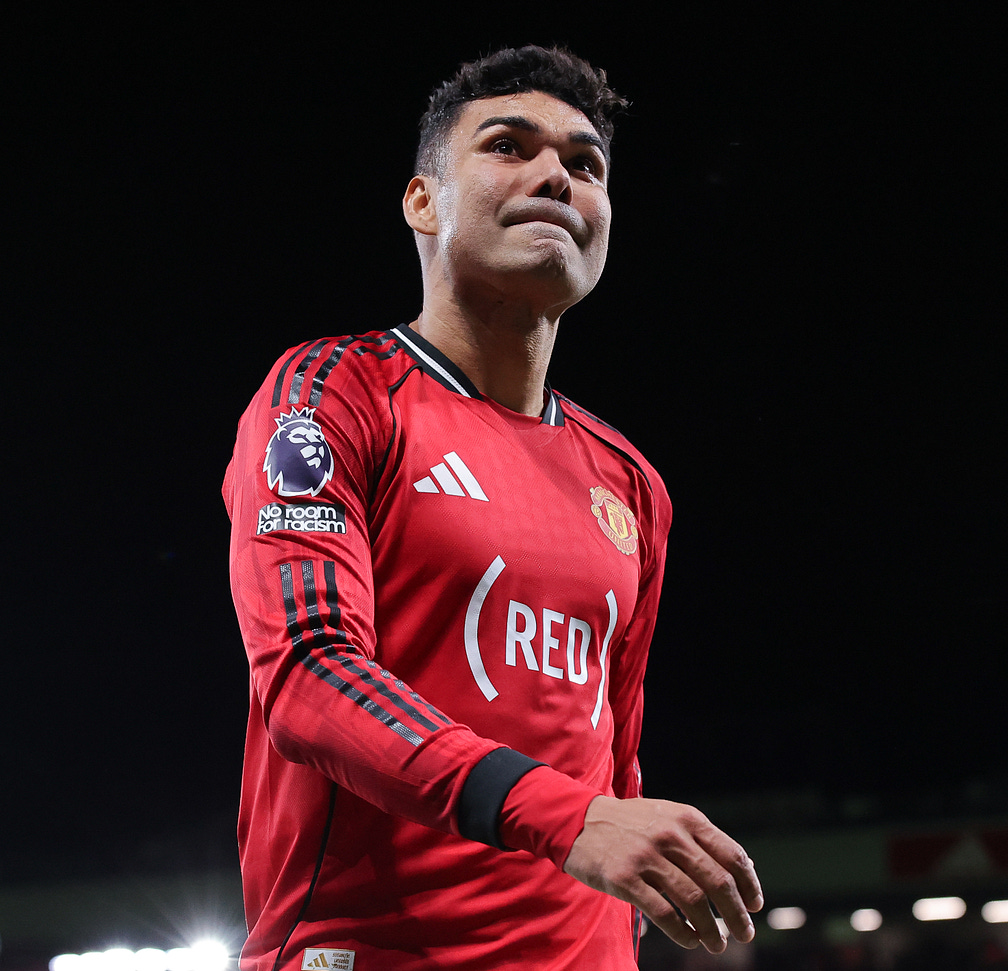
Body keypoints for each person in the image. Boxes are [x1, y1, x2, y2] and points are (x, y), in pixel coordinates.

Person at [223, 46, 761, 971]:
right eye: (509, 147)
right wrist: (566, 817)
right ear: (423, 202)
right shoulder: (333, 393)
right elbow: (309, 676)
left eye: (586, 164)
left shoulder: (628, 480)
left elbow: (613, 756)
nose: (556, 176)